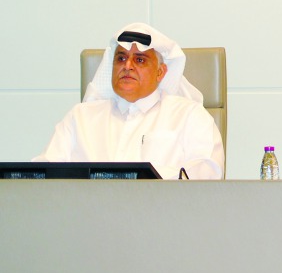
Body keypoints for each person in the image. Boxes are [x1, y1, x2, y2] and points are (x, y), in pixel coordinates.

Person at [35, 22, 225, 179]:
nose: (127, 66)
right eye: (121, 58)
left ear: (161, 72)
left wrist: (146, 177)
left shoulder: (190, 116)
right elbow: (41, 175)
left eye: (140, 60)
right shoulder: (80, 117)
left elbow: (207, 176)